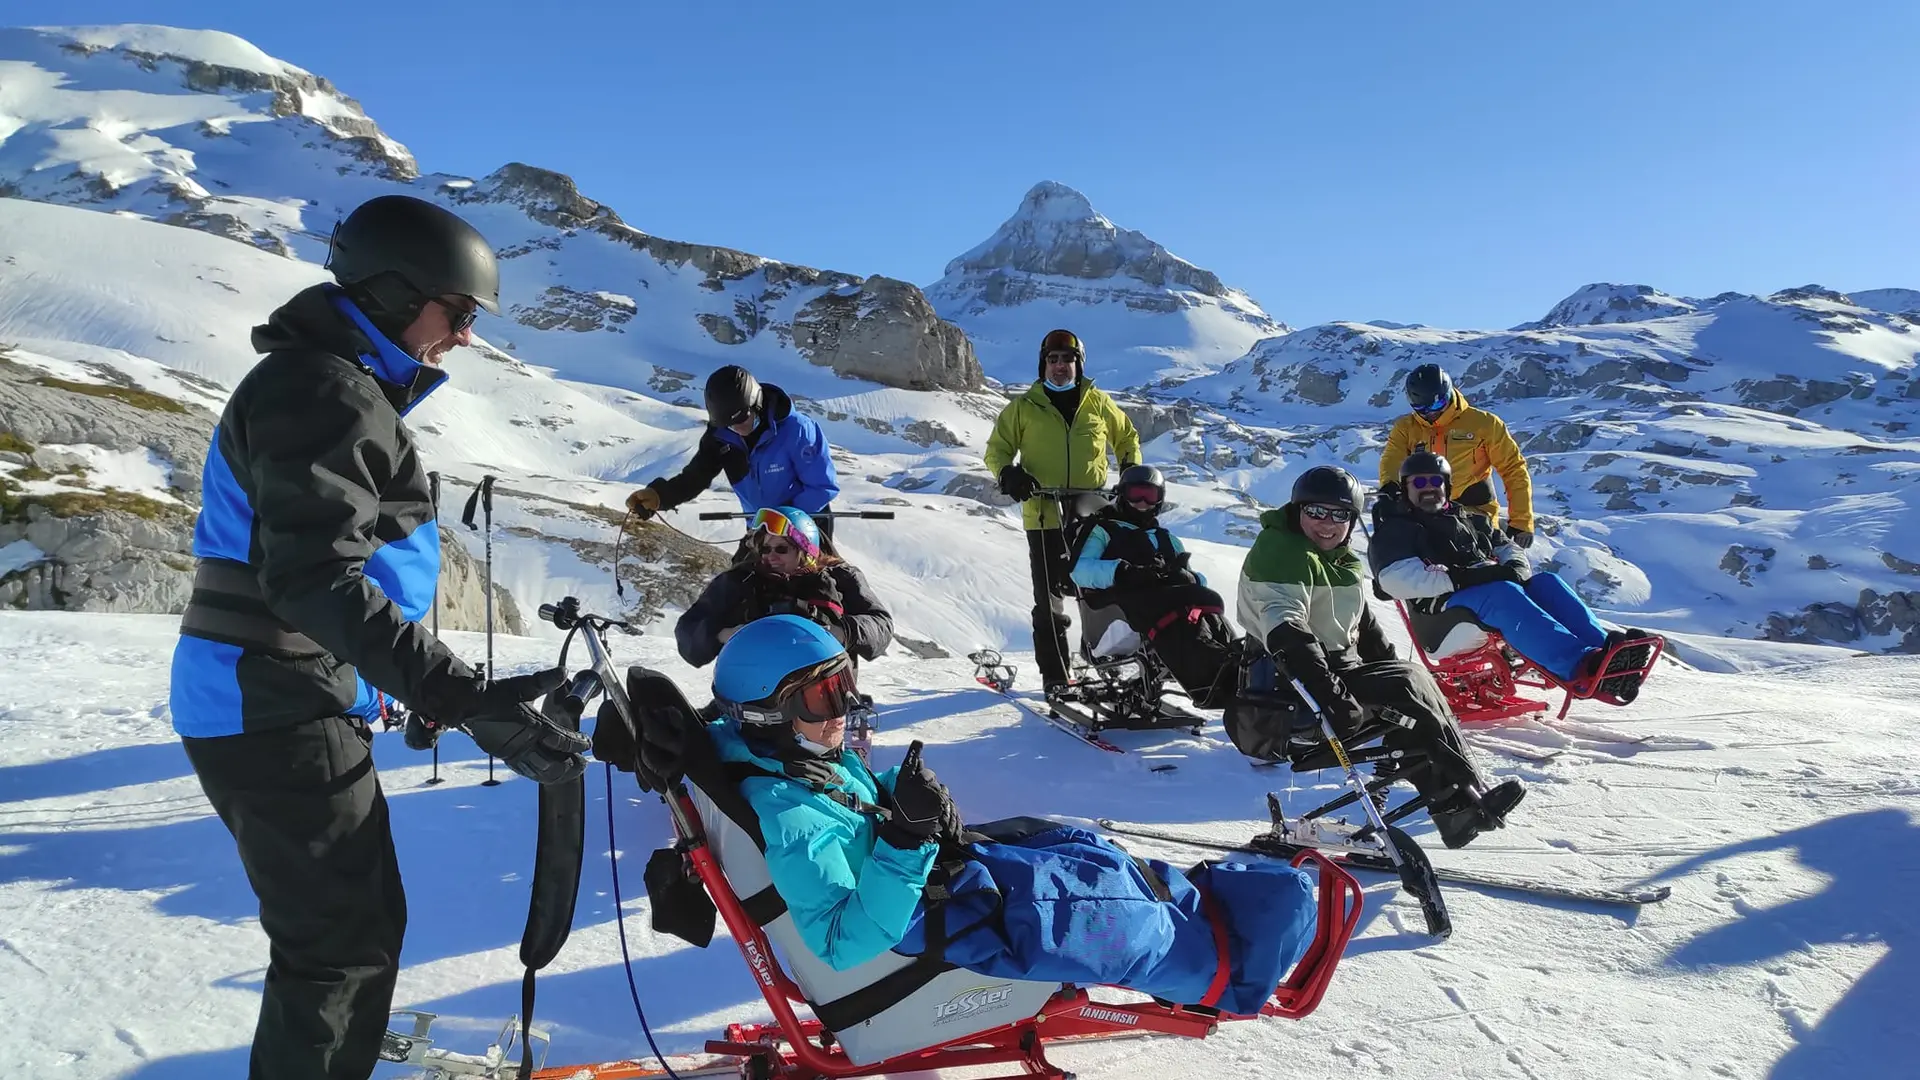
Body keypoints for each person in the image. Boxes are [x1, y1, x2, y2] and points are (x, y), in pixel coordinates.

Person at [168, 194, 590, 1080]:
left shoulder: (323, 381)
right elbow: (316, 579)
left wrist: (395, 685)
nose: (467, 337)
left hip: (280, 692)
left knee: (344, 938)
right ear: (400, 294)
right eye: (461, 312)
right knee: (339, 949)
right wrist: (457, 694)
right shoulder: (324, 386)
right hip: (276, 698)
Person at [703, 616, 1320, 1015]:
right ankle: (1230, 969)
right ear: (764, 713)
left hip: (929, 882)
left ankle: (1215, 910)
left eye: (844, 683)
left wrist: (901, 797)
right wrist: (904, 838)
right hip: (925, 916)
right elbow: (841, 943)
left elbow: (849, 815)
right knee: (1110, 912)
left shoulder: (790, 764)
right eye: (820, 697)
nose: (844, 707)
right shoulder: (789, 814)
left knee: (1080, 848)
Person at [1236, 465, 1524, 849]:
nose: (1328, 523)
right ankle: (1462, 798)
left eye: (1340, 514)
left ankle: (1460, 803)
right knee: (1405, 686)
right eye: (1316, 512)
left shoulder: (1337, 559)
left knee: (1413, 682)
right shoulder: (1281, 553)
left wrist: (1388, 668)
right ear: (1297, 509)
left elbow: (1365, 628)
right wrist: (1332, 697)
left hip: (1326, 678)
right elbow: (1287, 631)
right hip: (1285, 695)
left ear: (1353, 521)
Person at [1369, 450, 1661, 703]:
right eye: (1419, 482)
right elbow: (1394, 579)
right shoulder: (1398, 529)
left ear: (1447, 486)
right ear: (1406, 489)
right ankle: (1581, 667)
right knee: (1502, 595)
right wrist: (1463, 579)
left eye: (1435, 481)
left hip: (1480, 599)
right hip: (1438, 618)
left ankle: (1609, 660)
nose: (1428, 488)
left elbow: (1507, 548)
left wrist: (1516, 568)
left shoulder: (1470, 520)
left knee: (1546, 583)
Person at [983, 329, 1142, 693]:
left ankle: (1109, 658)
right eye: (1053, 360)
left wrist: (1130, 472)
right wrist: (1009, 473)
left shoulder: (1098, 403)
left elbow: (1127, 438)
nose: (1060, 366)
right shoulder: (1025, 407)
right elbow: (997, 449)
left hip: (1093, 516)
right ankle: (1055, 675)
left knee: (1103, 588)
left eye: (1067, 359)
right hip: (1044, 515)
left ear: (1078, 364)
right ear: (1043, 365)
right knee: (1050, 600)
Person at [1069, 464, 1240, 707]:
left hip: (1166, 601)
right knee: (1174, 609)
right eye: (1136, 494)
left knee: (1206, 599)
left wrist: (1190, 577)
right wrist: (1123, 571)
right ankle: (1209, 675)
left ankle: (1235, 660)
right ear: (1122, 494)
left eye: (1150, 496)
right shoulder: (1102, 530)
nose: (1142, 502)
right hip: (1118, 605)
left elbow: (1193, 579)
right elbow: (1080, 570)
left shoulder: (1168, 539)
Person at [625, 365, 842, 540]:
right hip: (760, 531)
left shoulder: (797, 430)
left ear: (756, 402)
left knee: (820, 589)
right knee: (731, 590)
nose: (736, 428)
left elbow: (822, 487)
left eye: (740, 419)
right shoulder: (721, 436)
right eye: (728, 424)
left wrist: (783, 519)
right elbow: (696, 476)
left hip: (807, 529)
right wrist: (660, 496)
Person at [675, 505, 894, 670]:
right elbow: (687, 629)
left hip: (822, 695)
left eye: (781, 549)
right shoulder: (740, 581)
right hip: (749, 690)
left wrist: (843, 632)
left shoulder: (840, 578)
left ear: (805, 551)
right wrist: (724, 634)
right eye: (765, 548)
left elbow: (881, 625)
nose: (771, 557)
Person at [1378, 363, 1535, 547]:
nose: (1432, 413)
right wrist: (1390, 485)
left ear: (1449, 393)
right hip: (1424, 514)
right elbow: (1392, 459)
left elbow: (1513, 469)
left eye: (1438, 404)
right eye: (1422, 410)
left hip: (1475, 517)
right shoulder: (1406, 428)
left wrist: (1521, 522)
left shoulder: (1485, 424)